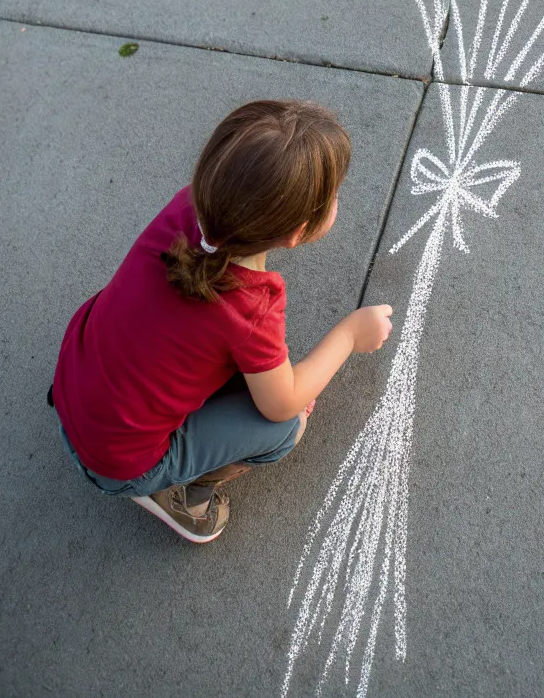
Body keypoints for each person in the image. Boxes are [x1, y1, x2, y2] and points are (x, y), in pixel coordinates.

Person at [51, 99, 393, 544]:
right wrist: (349, 335)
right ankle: (182, 499)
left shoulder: (187, 205)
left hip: (75, 383)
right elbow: (282, 404)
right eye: (332, 197)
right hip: (114, 461)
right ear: (296, 233)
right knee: (286, 427)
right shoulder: (251, 305)